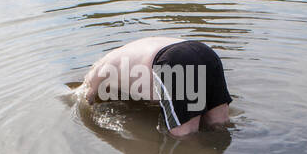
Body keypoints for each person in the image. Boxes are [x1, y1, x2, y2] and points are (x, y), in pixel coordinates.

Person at [81, 36, 233, 138]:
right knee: (219, 124)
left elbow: (88, 95)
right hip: (204, 51)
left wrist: (89, 100)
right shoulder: (126, 51)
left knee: (184, 136)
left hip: (174, 60)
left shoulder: (100, 67)